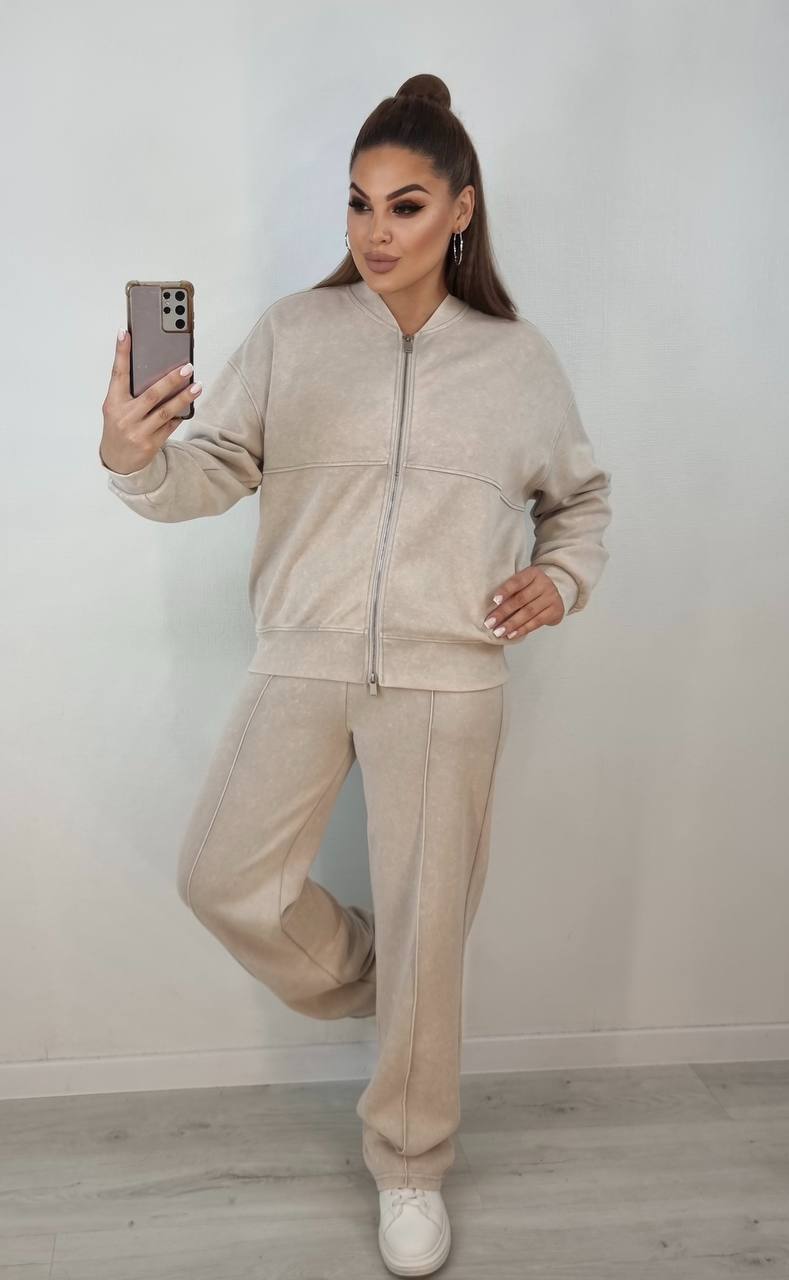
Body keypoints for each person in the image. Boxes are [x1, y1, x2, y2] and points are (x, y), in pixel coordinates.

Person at [99, 73, 612, 1278]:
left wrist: (562, 579)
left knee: (436, 916)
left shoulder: (517, 360)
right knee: (222, 873)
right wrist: (132, 456)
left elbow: (580, 501)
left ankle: (412, 1165)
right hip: (304, 654)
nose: (376, 232)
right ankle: (395, 980)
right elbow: (211, 470)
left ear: (461, 210)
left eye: (406, 205)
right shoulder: (296, 333)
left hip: (449, 675)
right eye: (359, 203)